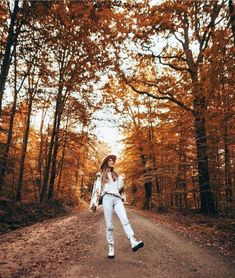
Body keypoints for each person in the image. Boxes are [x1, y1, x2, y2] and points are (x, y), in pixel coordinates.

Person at [89, 154, 144, 259]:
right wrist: (94, 203)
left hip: (117, 199)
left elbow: (119, 188)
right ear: (106, 162)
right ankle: (111, 248)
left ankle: (133, 241)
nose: (112, 161)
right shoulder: (100, 175)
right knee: (109, 225)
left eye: (113, 160)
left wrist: (121, 180)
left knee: (125, 220)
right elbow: (96, 190)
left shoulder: (116, 175)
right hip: (107, 199)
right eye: (110, 160)